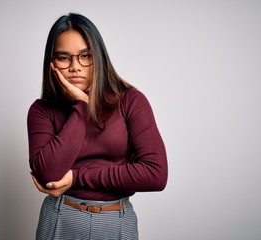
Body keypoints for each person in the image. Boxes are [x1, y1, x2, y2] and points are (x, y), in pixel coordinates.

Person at [27, 13, 167, 240]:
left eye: (85, 56)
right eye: (64, 58)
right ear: (52, 63)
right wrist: (81, 107)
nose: (75, 67)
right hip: (61, 217)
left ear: (99, 57)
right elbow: (48, 175)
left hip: (117, 221)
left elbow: (155, 174)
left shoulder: (130, 101)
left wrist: (77, 177)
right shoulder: (42, 110)